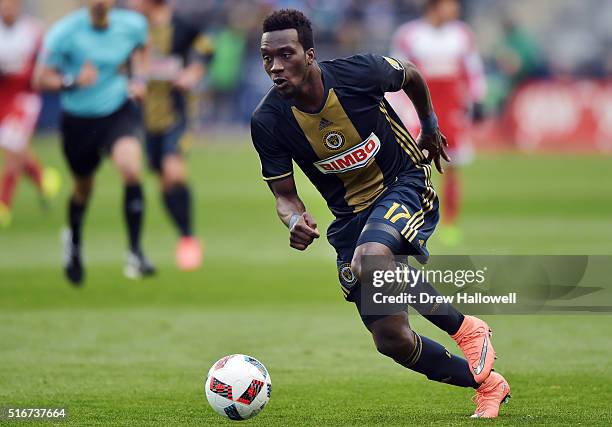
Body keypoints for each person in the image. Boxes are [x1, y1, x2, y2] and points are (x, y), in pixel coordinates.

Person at [250, 9, 509, 418]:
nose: (276, 67)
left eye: (286, 55)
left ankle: (466, 328)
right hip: (350, 221)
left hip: (405, 184)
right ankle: (488, 385)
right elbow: (285, 195)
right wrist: (294, 219)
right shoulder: (267, 121)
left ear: (310, 54)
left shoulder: (357, 73)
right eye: (267, 58)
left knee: (371, 258)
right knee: (392, 339)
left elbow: (410, 75)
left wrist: (428, 124)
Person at [33, 0, 155, 285]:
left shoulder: (132, 24)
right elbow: (40, 78)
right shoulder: (64, 32)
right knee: (83, 188)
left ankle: (135, 252)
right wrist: (72, 80)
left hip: (116, 110)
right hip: (79, 118)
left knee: (131, 168)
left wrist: (139, 79)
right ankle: (73, 242)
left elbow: (144, 47)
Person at [389, 0, 486, 245]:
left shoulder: (462, 34)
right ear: (434, 6)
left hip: (452, 107)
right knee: (412, 165)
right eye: (449, 4)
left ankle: (450, 223)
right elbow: (396, 72)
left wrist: (478, 99)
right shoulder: (409, 35)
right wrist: (398, 107)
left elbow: (473, 69)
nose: (455, 9)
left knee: (453, 165)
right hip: (419, 108)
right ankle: (409, 218)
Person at [128, 0, 211, 271]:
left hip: (177, 115)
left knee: (173, 171)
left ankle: (189, 239)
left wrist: (192, 73)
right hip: (148, 119)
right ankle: (184, 234)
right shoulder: (134, 30)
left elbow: (206, 50)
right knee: (164, 182)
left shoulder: (182, 25)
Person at [0, 0, 60, 227]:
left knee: (13, 146)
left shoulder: (32, 32)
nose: (6, 10)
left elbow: (45, 63)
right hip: (2, 96)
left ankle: (3, 204)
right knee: (12, 145)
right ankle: (43, 179)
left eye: (10, 5)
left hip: (24, 96)